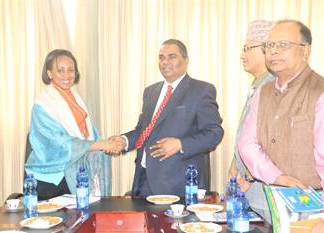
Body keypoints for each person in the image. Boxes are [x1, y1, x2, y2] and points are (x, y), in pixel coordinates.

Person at [111, 39, 224, 196]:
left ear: (186, 61)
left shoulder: (201, 90)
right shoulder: (150, 92)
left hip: (179, 183)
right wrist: (124, 141)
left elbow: (214, 133)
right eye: (161, 57)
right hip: (143, 179)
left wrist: (180, 144)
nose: (165, 62)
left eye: (172, 56)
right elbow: (144, 130)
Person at [238, 20, 324, 195]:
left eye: (283, 45)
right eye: (269, 45)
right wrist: (277, 177)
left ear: (305, 50)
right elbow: (247, 144)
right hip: (263, 201)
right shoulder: (262, 93)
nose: (274, 51)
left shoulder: (319, 92)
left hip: (311, 205)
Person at [25, 49, 122, 200]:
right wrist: (102, 145)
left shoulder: (75, 98)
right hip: (53, 178)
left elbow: (90, 134)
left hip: (76, 173)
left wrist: (109, 145)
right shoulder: (42, 105)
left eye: (71, 70)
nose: (67, 75)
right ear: (49, 73)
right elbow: (59, 143)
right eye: (61, 70)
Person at [229, 20, 274, 223]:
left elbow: (271, 141)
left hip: (264, 193)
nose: (242, 54)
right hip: (250, 190)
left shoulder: (273, 86)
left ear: (266, 50)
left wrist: (247, 176)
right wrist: (235, 162)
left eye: (247, 48)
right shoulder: (259, 83)